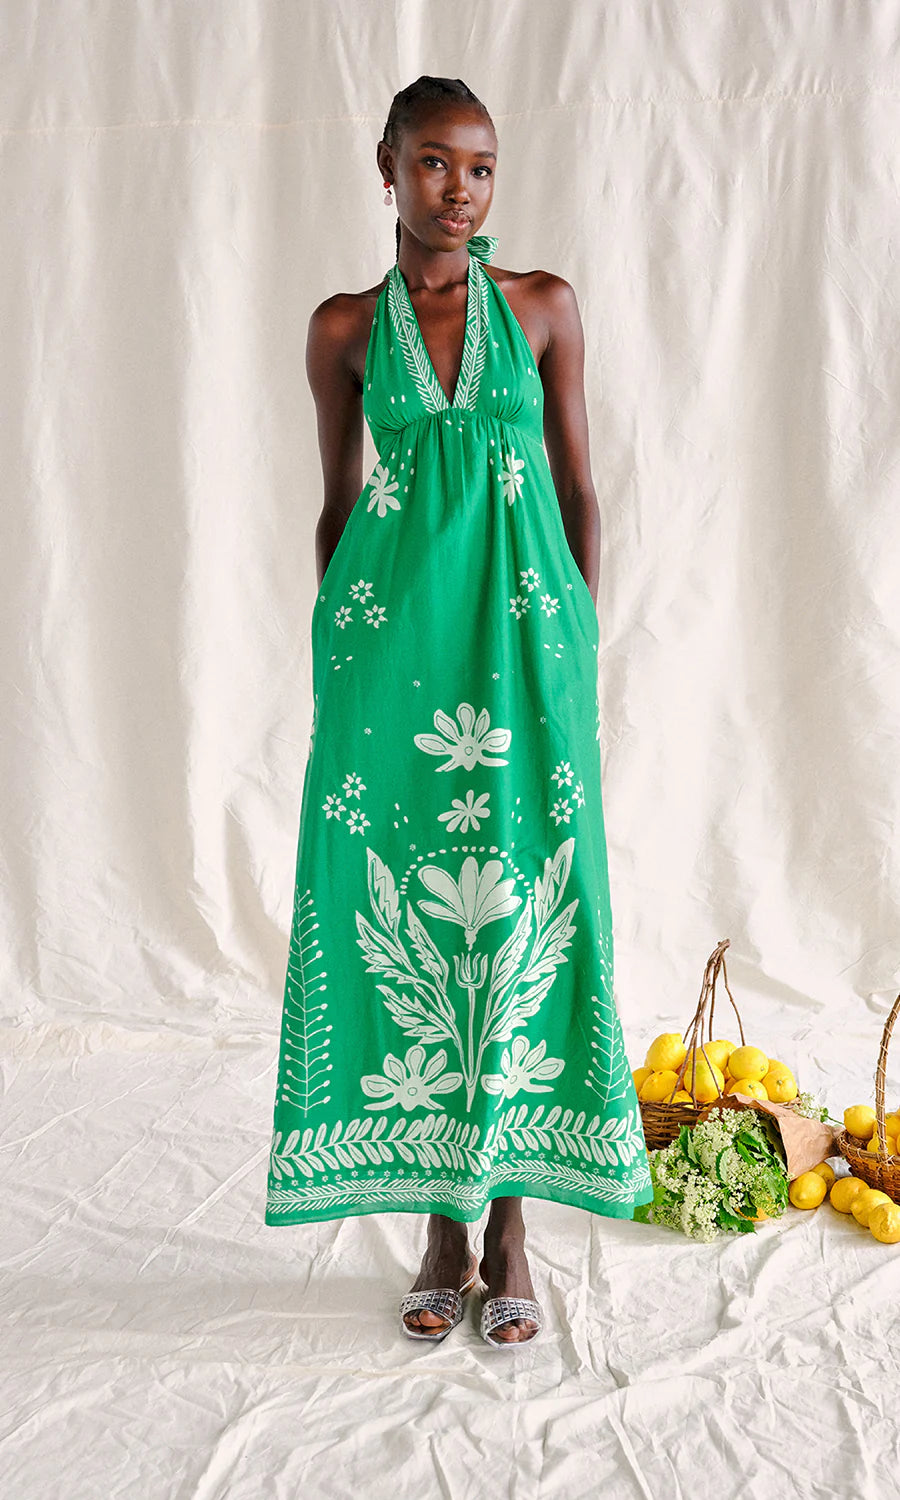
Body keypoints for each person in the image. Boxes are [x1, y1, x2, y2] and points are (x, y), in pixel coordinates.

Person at [264, 75, 653, 1348]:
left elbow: (582, 488)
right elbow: (339, 506)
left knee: (529, 905)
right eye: (435, 164)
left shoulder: (542, 308)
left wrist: (578, 641)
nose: (462, 190)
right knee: (399, 894)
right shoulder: (340, 329)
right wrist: (336, 657)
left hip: (528, 652)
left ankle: (513, 1226)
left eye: (481, 168)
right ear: (387, 168)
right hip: (392, 661)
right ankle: (440, 1224)